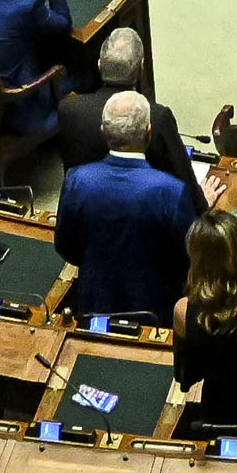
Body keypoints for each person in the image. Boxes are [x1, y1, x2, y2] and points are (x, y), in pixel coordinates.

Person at [57, 89, 202, 319]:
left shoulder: (77, 180)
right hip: (156, 312)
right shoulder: (172, 192)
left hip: (94, 309)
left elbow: (66, 246)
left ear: (103, 132)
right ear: (148, 132)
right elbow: (190, 258)